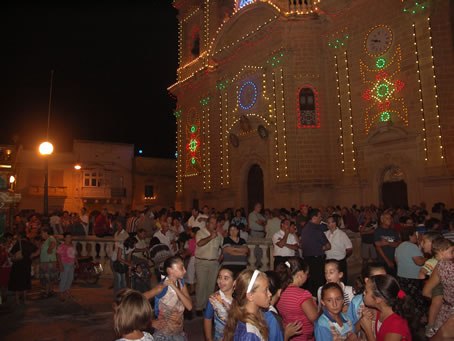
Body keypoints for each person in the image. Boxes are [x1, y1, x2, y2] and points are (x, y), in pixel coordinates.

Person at [144, 256, 192, 340]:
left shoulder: (181, 283)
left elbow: (189, 306)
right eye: (181, 268)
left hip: (178, 332)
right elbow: (136, 300)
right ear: (170, 270)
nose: (185, 270)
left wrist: (175, 288)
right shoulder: (161, 288)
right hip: (163, 334)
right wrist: (149, 322)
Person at [276, 257, 318, 341]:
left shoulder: (280, 292)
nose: (307, 277)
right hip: (304, 337)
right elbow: (314, 318)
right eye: (307, 274)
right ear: (300, 274)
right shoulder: (302, 294)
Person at [360, 275, 413, 341]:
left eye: (366, 292)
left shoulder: (396, 324)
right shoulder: (379, 312)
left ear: (378, 299)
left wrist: (368, 331)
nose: (363, 293)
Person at [222, 269, 271, 341]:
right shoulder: (249, 335)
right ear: (250, 295)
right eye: (265, 290)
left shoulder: (253, 316)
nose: (270, 294)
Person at [419, 237, 450, 337]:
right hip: (437, 285)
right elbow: (424, 270)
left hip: (441, 285)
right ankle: (431, 325)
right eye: (451, 251)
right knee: (436, 301)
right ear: (441, 252)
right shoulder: (433, 262)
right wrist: (422, 274)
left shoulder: (447, 262)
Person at [394, 226, 426, 322]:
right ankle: (420, 318)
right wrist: (427, 259)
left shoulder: (399, 247)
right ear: (409, 236)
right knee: (417, 299)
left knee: (405, 298)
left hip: (401, 276)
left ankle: (406, 316)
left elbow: (396, 261)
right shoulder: (412, 246)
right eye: (414, 235)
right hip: (413, 277)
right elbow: (418, 262)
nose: (416, 237)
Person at [347, 263, 386, 338]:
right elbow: (349, 330)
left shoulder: (388, 302)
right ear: (367, 280)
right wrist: (362, 320)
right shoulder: (357, 302)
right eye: (378, 279)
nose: (384, 282)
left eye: (385, 278)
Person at [195, 216, 223, 316]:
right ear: (207, 223)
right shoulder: (200, 232)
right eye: (212, 223)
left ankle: (208, 306)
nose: (214, 225)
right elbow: (199, 243)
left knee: (211, 286)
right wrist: (210, 237)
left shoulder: (219, 235)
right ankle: (199, 307)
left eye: (215, 223)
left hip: (214, 263)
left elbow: (222, 247)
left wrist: (221, 256)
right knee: (201, 284)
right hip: (202, 262)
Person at [300, 209, 331, 297]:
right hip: (317, 260)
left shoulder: (305, 228)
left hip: (307, 259)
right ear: (314, 218)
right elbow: (328, 245)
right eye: (319, 216)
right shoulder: (316, 229)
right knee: (319, 284)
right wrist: (322, 247)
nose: (321, 218)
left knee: (310, 284)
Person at [204, 267, 234, 341]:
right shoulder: (213, 299)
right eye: (219, 277)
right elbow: (207, 319)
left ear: (234, 282)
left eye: (226, 278)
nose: (221, 281)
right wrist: (209, 339)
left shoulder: (240, 297)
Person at [8, 233, 39, 304]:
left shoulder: (17, 244)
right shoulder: (29, 244)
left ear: (20, 237)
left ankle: (17, 300)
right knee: (25, 283)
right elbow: (37, 251)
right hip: (26, 266)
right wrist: (31, 256)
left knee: (17, 283)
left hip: (17, 266)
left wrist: (15, 256)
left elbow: (10, 254)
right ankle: (24, 299)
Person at [324, 215, 353, 283]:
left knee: (341, 282)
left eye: (328, 222)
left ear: (334, 223)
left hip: (339, 261)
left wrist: (344, 257)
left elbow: (349, 248)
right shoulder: (326, 234)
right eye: (327, 222)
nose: (327, 224)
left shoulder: (342, 235)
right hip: (329, 261)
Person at [57, 232, 77, 301]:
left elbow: (74, 255)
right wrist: (60, 265)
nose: (69, 239)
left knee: (70, 278)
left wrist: (76, 262)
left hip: (71, 264)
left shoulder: (71, 245)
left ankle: (67, 291)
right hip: (64, 264)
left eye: (70, 237)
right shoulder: (61, 246)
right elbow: (58, 256)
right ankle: (61, 293)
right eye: (68, 237)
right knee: (63, 278)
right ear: (64, 238)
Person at [39, 227, 58, 298]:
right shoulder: (46, 241)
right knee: (49, 277)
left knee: (48, 278)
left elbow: (53, 244)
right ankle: (50, 291)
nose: (41, 234)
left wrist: (50, 249)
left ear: (46, 232)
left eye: (42, 232)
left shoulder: (51, 238)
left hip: (48, 262)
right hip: (46, 261)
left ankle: (47, 292)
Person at [0, 233, 13, 304]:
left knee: (8, 282)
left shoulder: (12, 246)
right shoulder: (1, 246)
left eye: (11, 238)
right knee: (2, 283)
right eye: (9, 238)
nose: (10, 239)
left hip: (10, 266)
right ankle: (3, 296)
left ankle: (6, 296)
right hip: (2, 266)